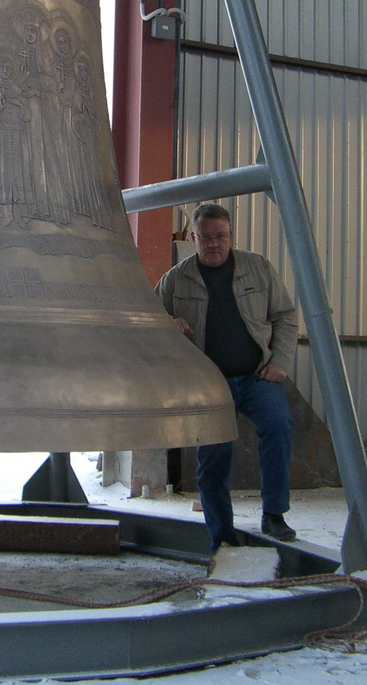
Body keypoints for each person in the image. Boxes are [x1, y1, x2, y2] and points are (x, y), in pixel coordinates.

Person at [156, 203, 298, 550]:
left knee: (279, 425)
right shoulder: (177, 278)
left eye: (221, 237)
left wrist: (280, 361)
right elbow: (149, 319)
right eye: (206, 238)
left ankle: (274, 514)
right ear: (194, 238)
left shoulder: (258, 267)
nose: (214, 244)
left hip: (256, 376)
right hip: (210, 386)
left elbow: (285, 317)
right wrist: (167, 324)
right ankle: (222, 534)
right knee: (214, 458)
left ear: (231, 235)